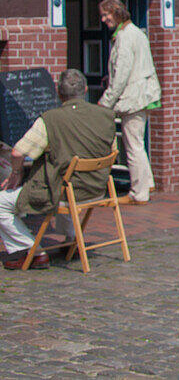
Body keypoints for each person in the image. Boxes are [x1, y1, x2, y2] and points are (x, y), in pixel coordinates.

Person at [0, 70, 115, 269]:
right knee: (64, 178)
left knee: (2, 203)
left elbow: (18, 153)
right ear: (86, 90)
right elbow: (112, 150)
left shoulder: (51, 119)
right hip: (98, 188)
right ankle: (72, 239)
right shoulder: (106, 115)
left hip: (66, 190)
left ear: (58, 93)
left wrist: (16, 173)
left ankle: (31, 251)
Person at [98, 0, 161, 205]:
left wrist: (106, 101)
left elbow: (122, 74)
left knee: (133, 145)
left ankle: (139, 193)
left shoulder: (125, 37)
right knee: (137, 143)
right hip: (142, 94)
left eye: (106, 14)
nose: (103, 19)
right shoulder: (135, 33)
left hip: (133, 97)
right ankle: (147, 183)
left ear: (116, 12)